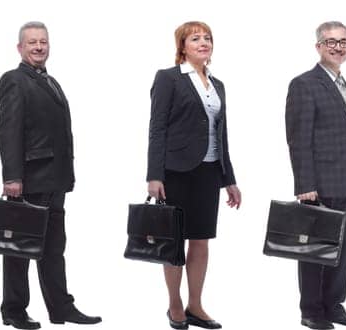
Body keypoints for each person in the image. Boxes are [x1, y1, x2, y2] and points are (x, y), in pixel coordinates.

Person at [0, 21, 101, 330]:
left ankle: (60, 308)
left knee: (54, 247)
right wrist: (12, 177)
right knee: (19, 247)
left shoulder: (49, 80)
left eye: (43, 42)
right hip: (30, 177)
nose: (39, 47)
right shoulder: (14, 80)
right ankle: (14, 311)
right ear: (20, 48)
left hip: (54, 178)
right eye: (32, 43)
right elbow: (8, 131)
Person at [145, 21, 241, 330]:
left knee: (201, 240)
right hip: (175, 171)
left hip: (209, 171)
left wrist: (229, 179)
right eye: (195, 38)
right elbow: (156, 129)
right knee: (173, 241)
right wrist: (154, 175)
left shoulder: (218, 84)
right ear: (182, 47)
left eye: (208, 38)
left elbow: (221, 135)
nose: (203, 42)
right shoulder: (169, 78)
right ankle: (175, 304)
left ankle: (195, 305)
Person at [284, 21, 346, 330]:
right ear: (318, 46)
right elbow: (298, 138)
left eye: (344, 42)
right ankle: (311, 311)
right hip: (317, 184)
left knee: (342, 248)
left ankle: (334, 305)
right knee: (315, 250)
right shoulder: (304, 84)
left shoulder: (345, 86)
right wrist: (304, 185)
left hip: (344, 181)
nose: (338, 47)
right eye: (331, 41)